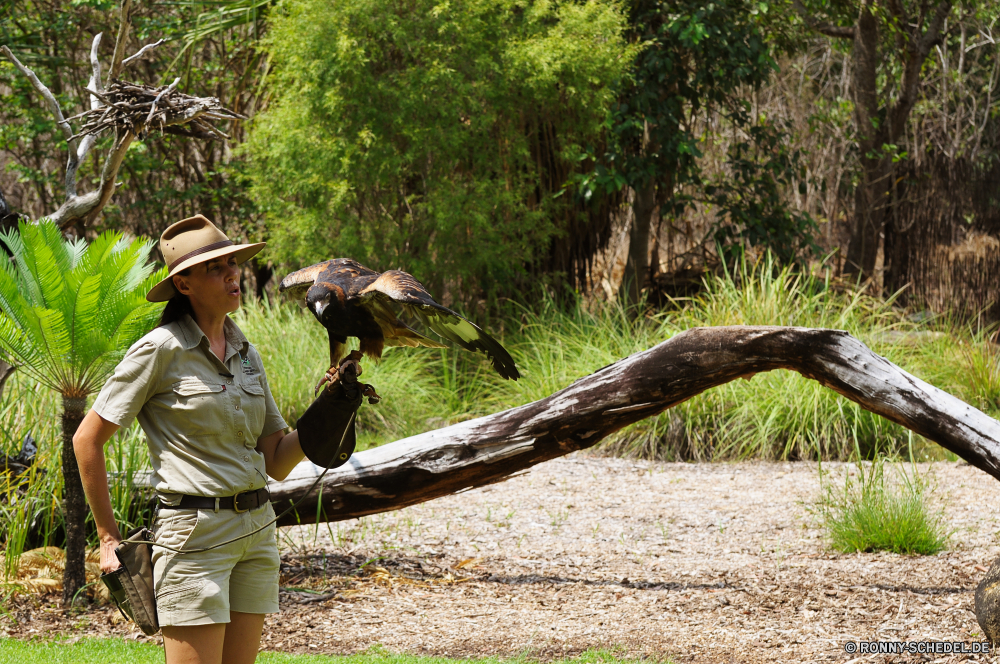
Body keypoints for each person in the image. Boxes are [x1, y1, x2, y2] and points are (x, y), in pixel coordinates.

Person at [74, 215, 360, 664]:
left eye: (232, 262)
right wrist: (108, 537)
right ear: (183, 284)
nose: (233, 273)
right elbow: (86, 439)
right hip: (194, 538)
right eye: (216, 267)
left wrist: (327, 411)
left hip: (257, 529)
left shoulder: (248, 353)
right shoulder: (160, 349)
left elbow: (276, 462)